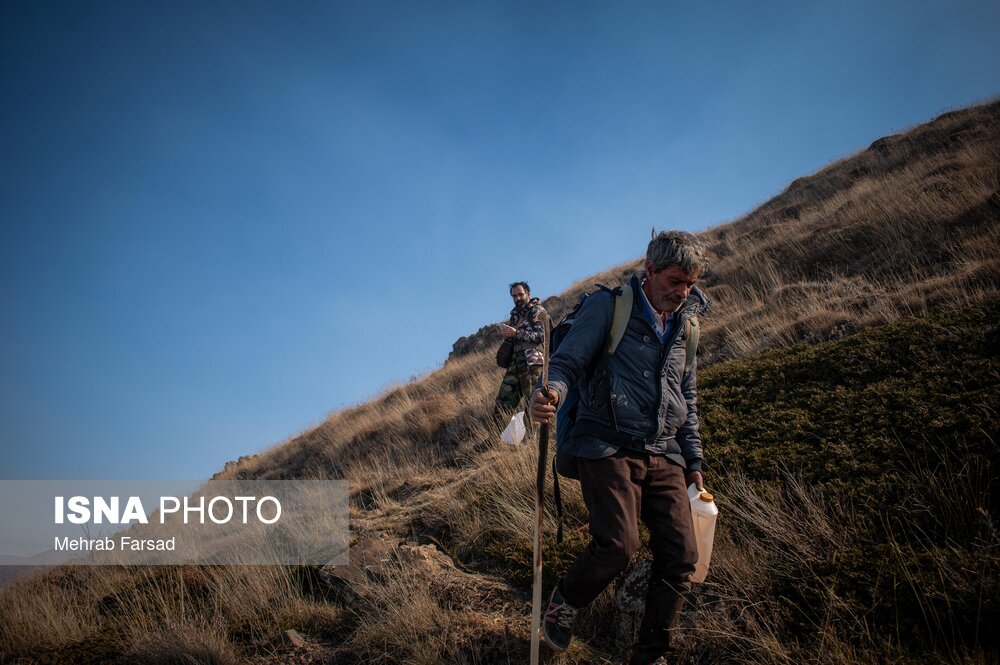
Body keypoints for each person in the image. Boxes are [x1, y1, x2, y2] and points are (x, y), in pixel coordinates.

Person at [530, 230, 710, 664]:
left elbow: (686, 398)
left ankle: (651, 656)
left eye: (689, 283)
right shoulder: (608, 306)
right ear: (649, 271)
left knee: (683, 556)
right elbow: (568, 361)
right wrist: (550, 392)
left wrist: (694, 463)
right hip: (605, 443)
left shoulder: (687, 326)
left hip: (663, 450)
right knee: (618, 544)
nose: (682, 292)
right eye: (674, 281)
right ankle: (565, 602)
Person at [494, 281, 546, 433]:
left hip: (533, 362)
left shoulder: (538, 311)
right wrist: (508, 336)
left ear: (528, 294)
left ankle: (534, 439)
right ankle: (494, 438)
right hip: (515, 363)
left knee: (534, 401)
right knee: (503, 400)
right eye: (514, 296)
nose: (517, 298)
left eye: (520, 294)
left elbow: (542, 335)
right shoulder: (515, 315)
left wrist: (516, 333)